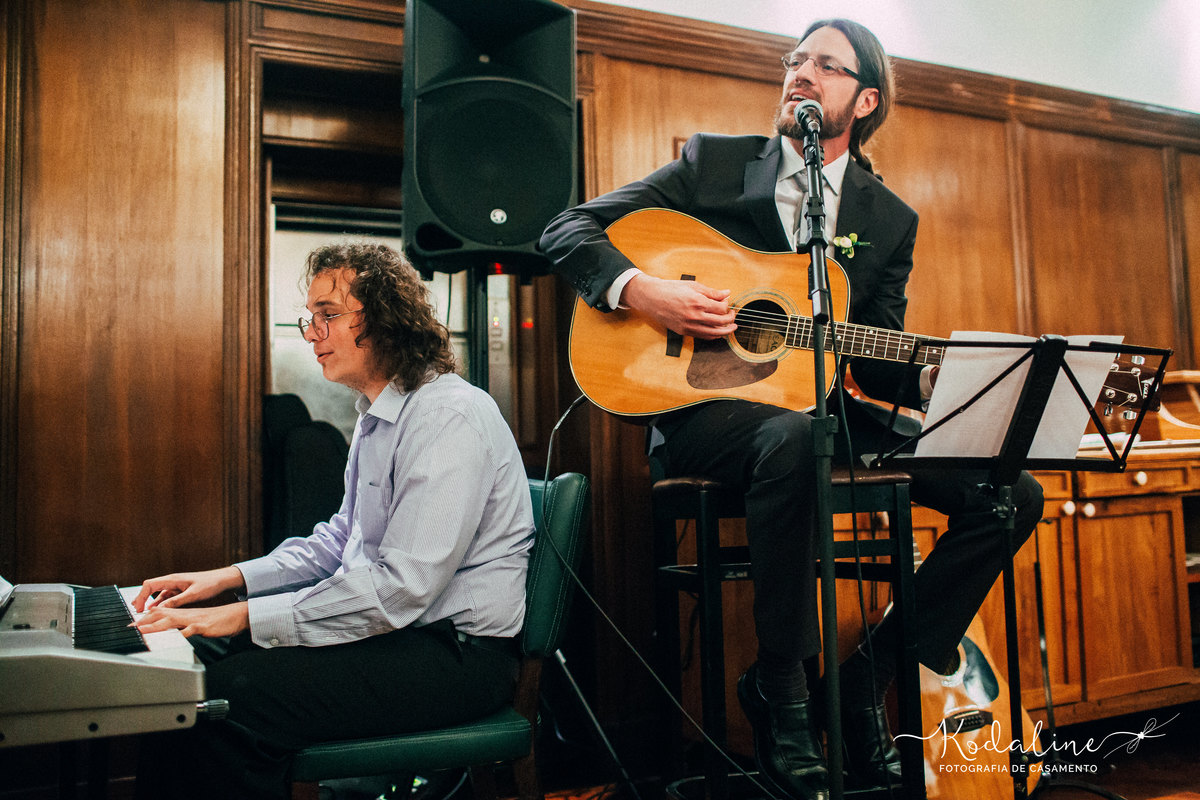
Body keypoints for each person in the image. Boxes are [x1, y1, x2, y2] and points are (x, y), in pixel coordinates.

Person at [539, 18, 1043, 800]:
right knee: (790, 433)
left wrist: (953, 379)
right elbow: (567, 227)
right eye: (796, 60)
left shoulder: (887, 220)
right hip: (707, 416)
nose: (801, 73)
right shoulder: (713, 166)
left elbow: (879, 360)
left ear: (865, 99)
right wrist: (645, 290)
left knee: (1010, 494)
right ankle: (783, 691)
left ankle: (860, 682)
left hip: (827, 413)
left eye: (827, 66)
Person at [132, 242, 535, 799]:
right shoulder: (376, 413)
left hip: (459, 656)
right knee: (188, 672)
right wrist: (228, 580)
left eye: (329, 315)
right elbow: (339, 542)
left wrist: (245, 616)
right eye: (310, 317)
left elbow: (400, 588)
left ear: (387, 320)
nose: (312, 332)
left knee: (230, 695)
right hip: (408, 635)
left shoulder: (448, 414)